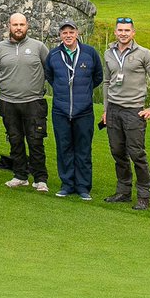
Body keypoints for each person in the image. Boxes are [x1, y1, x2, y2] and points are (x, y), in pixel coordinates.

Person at [101, 17, 150, 210]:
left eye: (127, 30)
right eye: (120, 30)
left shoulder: (144, 53)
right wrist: (105, 109)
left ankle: (144, 195)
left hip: (134, 111)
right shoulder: (108, 53)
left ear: (133, 33)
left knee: (136, 154)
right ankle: (123, 191)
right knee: (118, 152)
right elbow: (106, 82)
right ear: (115, 32)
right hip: (113, 110)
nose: (123, 33)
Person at [0, 13, 51, 192]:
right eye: (15, 24)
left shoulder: (38, 47)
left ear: (27, 26)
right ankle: (20, 175)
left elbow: (49, 69)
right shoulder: (0, 48)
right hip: (8, 102)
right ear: (9, 26)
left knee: (36, 141)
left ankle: (40, 178)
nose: (18, 28)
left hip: (33, 102)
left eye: (22, 24)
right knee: (15, 140)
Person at [44, 19, 103, 200]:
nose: (68, 36)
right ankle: (67, 184)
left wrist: (82, 93)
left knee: (83, 149)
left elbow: (98, 77)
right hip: (61, 110)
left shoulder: (89, 53)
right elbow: (50, 77)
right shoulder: (54, 54)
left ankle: (83, 186)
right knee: (64, 148)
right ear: (60, 35)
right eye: (64, 33)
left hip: (83, 110)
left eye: (71, 32)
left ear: (77, 33)